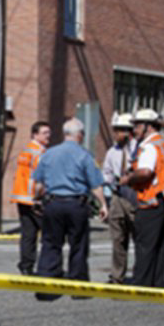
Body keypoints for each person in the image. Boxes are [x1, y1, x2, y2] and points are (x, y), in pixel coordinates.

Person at [32, 118, 108, 301]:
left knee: (50, 243)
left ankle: (46, 287)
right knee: (78, 245)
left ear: (65, 134)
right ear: (80, 135)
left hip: (53, 203)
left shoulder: (48, 154)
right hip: (76, 204)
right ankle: (78, 286)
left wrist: (36, 199)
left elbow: (38, 184)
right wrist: (103, 204)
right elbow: (95, 184)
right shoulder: (85, 155)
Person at [121, 109, 164, 288]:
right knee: (159, 243)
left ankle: (142, 283)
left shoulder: (149, 146)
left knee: (145, 244)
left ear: (148, 127)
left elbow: (145, 172)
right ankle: (156, 282)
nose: (135, 130)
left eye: (138, 125)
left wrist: (128, 179)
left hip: (152, 200)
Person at [10, 121, 51, 276]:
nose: (48, 136)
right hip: (35, 198)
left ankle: (26, 265)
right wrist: (40, 197)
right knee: (48, 234)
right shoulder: (40, 153)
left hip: (21, 197)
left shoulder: (26, 150)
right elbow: (41, 178)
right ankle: (47, 267)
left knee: (28, 234)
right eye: (45, 133)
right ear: (35, 134)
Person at [102, 113, 137, 284]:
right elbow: (107, 172)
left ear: (128, 132)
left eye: (118, 131)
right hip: (118, 195)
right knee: (118, 239)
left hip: (135, 196)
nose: (115, 135)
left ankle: (140, 275)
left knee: (139, 238)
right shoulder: (112, 152)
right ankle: (117, 276)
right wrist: (109, 182)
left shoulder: (139, 149)